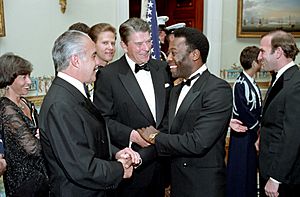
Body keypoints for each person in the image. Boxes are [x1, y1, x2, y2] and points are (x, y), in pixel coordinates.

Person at [38, 30, 141, 196]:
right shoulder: (60, 105)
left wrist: (115, 153)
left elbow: (86, 141)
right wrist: (120, 169)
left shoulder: (72, 93)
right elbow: (81, 167)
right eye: (93, 56)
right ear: (76, 60)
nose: (98, 62)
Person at [137, 27, 233, 197]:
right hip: (177, 183)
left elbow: (198, 142)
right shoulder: (176, 89)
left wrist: (155, 137)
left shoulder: (217, 89)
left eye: (174, 53)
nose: (168, 59)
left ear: (194, 55)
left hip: (203, 187)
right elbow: (169, 131)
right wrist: (137, 157)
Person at [93, 17, 172, 197]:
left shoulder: (163, 68)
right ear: (124, 45)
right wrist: (132, 135)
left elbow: (169, 111)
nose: (146, 49)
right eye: (138, 44)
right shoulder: (108, 75)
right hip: (131, 168)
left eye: (148, 42)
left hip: (162, 164)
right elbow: (102, 120)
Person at [257, 30, 300, 197]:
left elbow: (293, 136)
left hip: (283, 177)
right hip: (271, 165)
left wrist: (276, 178)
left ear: (279, 52)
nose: (259, 57)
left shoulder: (295, 84)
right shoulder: (281, 78)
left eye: (262, 51)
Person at [0, 53, 49, 196]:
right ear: (9, 79)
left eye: (29, 76)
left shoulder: (24, 102)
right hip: (24, 184)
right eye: (23, 77)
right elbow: (33, 148)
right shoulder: (6, 109)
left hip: (40, 178)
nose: (29, 81)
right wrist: (47, 137)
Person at [226, 46, 263, 197]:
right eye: (260, 60)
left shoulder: (251, 82)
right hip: (242, 135)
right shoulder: (241, 83)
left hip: (251, 134)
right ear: (254, 63)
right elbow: (243, 110)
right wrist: (258, 128)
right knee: (240, 172)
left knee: (249, 170)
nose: (262, 63)